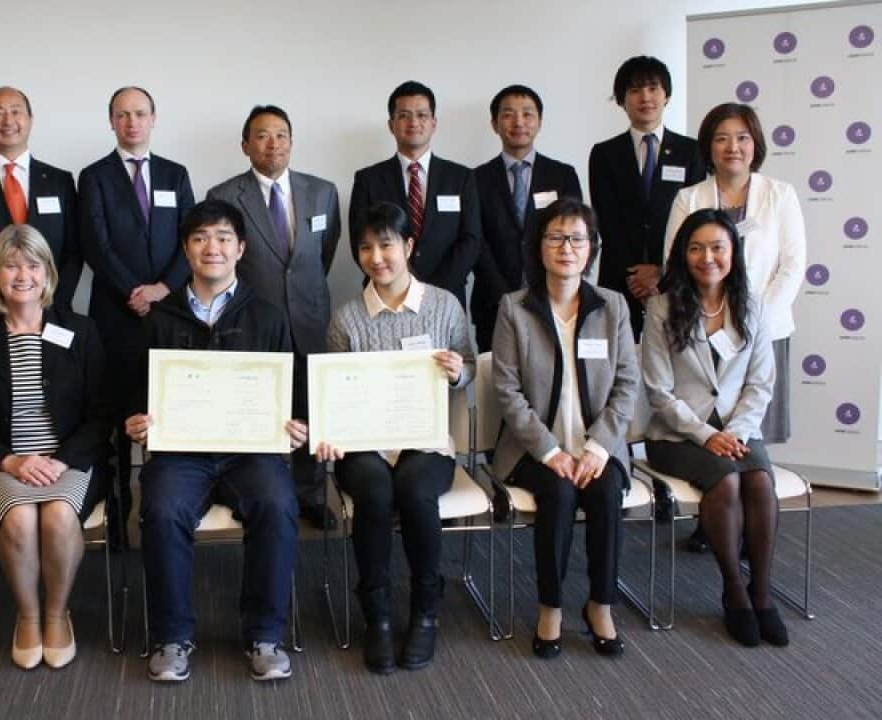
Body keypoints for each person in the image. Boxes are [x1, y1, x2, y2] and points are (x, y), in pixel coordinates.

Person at [124, 200, 308, 683]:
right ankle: (171, 636)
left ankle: (264, 634)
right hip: (181, 452)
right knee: (161, 509)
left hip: (251, 451)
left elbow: (293, 390)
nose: (213, 247)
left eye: (224, 237)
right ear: (185, 249)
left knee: (277, 502)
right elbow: (134, 390)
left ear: (241, 248)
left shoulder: (267, 315)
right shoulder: (160, 318)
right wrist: (136, 420)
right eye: (201, 238)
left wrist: (293, 423)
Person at [315, 201, 475, 674]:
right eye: (365, 247)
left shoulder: (444, 304)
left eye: (386, 244)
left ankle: (426, 610)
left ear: (408, 246)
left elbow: (467, 370)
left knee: (414, 488)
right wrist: (328, 432)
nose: (376, 256)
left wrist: (458, 370)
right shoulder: (347, 318)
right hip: (363, 444)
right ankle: (378, 615)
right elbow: (335, 394)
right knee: (374, 490)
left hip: (424, 439)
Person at [0, 224, 112, 669]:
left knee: (58, 515)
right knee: (20, 519)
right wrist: (11, 459)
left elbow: (102, 417)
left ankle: (57, 614)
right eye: (11, 266)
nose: (23, 275)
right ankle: (28, 615)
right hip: (5, 464)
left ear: (48, 274)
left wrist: (61, 461)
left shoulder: (80, 331)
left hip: (70, 461)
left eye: (33, 265)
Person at [491, 199, 638, 660]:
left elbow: (628, 384)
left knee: (606, 492)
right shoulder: (515, 308)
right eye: (555, 237)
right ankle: (551, 606)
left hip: (599, 447)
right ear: (539, 247)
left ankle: (600, 604)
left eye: (577, 238)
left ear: (592, 248)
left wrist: (598, 449)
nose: (567, 248)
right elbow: (507, 390)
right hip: (534, 450)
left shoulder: (613, 306)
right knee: (558, 494)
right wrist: (552, 451)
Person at [664, 102, 806, 554]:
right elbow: (676, 262)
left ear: (755, 144)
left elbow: (792, 264)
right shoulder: (690, 198)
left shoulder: (780, 195)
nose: (733, 147)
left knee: (749, 427)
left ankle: (749, 524)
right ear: (709, 146)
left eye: (742, 137)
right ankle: (715, 518)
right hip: (699, 332)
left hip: (761, 331)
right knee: (705, 422)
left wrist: (751, 319)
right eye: (722, 138)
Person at [642, 209, 786, 647]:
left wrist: (737, 432)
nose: (708, 257)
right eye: (696, 248)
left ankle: (762, 592)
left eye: (718, 247)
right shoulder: (662, 307)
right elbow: (658, 392)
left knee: (760, 480)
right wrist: (707, 435)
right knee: (725, 484)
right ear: (683, 255)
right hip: (676, 435)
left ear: (733, 253)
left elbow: (761, 382)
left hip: (737, 431)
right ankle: (735, 592)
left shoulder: (752, 306)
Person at [207, 104, 342, 530]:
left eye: (282, 134)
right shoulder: (224, 196)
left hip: (310, 319)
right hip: (252, 322)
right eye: (262, 135)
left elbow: (324, 253)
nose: (273, 143)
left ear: (292, 141)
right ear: (245, 145)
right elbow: (223, 259)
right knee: (255, 407)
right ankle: (250, 492)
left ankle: (310, 494)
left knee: (307, 409)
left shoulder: (322, 191)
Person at [77, 86, 194, 548]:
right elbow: (95, 244)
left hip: (171, 312)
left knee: (167, 406)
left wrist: (163, 289)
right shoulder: (94, 176)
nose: (132, 122)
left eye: (140, 113)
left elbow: (192, 238)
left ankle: (164, 502)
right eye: (122, 115)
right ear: (111, 121)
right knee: (118, 410)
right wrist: (134, 291)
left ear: (154, 118)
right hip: (115, 314)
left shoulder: (175, 173)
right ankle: (119, 505)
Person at [589, 56, 705, 339]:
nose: (645, 97)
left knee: (673, 361)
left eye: (653, 88)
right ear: (622, 100)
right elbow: (606, 219)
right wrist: (636, 277)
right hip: (620, 279)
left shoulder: (692, 151)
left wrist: (661, 272)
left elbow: (694, 221)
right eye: (635, 90)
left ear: (667, 95)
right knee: (620, 362)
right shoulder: (605, 154)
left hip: (676, 278)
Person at [0, 86, 81, 323]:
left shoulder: (60, 181)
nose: (8, 120)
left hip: (53, 312)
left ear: (30, 119)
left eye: (16, 111)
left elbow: (74, 249)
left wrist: (53, 301)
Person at [350, 81, 483, 308]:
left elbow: (470, 239)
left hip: (447, 297)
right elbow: (359, 240)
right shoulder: (368, 179)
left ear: (433, 123)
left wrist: (434, 290)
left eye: (422, 115)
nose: (413, 122)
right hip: (387, 296)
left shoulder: (461, 177)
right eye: (404, 115)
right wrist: (401, 285)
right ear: (391, 125)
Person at [472, 84, 583, 352]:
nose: (518, 122)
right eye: (508, 114)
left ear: (540, 122)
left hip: (554, 298)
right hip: (493, 300)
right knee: (498, 381)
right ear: (494, 124)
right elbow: (476, 239)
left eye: (527, 114)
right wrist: (502, 292)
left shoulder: (563, 175)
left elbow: (577, 235)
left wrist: (550, 285)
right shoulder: (475, 179)